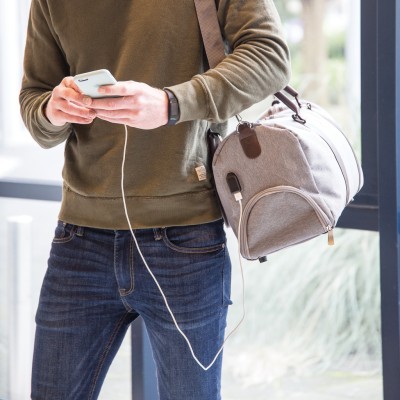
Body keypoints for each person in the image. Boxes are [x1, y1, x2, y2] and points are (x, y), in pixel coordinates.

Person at [20, 0, 290, 399]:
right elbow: (35, 101)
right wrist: (53, 110)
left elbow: (269, 57)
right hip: (78, 241)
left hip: (186, 242)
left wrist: (170, 103)